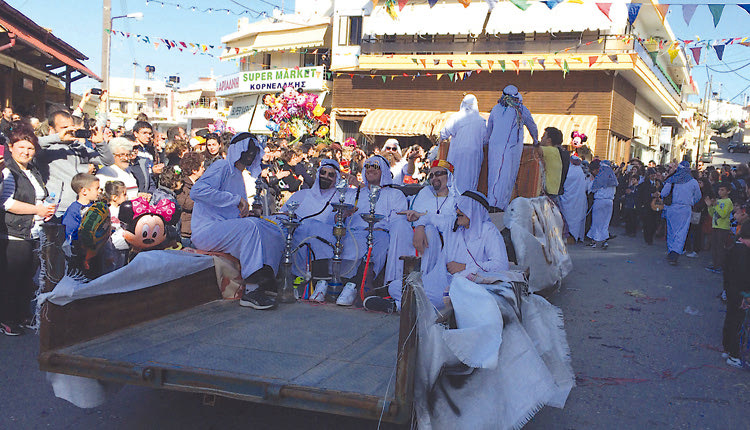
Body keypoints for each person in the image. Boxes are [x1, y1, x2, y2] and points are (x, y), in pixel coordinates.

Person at [366, 191, 509, 313]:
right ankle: (405, 306)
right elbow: (428, 217)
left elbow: (500, 266)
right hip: (442, 279)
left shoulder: (489, 231)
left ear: (474, 211)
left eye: (462, 208)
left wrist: (466, 267)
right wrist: (420, 228)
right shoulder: (454, 224)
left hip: (468, 284)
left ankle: (397, 306)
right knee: (395, 287)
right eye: (458, 207)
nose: (458, 211)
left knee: (447, 297)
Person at [190, 133, 284, 310]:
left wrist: (248, 211)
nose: (250, 155)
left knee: (271, 226)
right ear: (237, 150)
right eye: (247, 150)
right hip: (206, 231)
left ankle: (267, 277)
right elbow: (197, 192)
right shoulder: (222, 166)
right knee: (250, 227)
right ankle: (251, 290)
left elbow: (232, 215)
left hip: (222, 230)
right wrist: (235, 200)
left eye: (253, 152)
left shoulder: (239, 175)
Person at [0, 122, 56, 336]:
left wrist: (45, 210)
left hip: (33, 233)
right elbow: (6, 203)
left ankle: (21, 315)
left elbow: (38, 197)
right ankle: (7, 319)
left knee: (25, 280)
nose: (26, 151)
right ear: (11, 147)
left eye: (30, 148)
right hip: (13, 234)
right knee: (11, 280)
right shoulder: (8, 171)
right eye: (21, 147)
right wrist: (36, 209)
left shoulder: (32, 170)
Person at [37, 110, 114, 216]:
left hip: (82, 205)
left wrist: (100, 143)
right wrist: (58, 137)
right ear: (52, 129)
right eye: (64, 128)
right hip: (59, 208)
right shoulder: (48, 148)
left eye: (71, 126)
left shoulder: (78, 146)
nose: (69, 130)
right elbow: (30, 144)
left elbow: (107, 161)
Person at [484, 85, 538, 211]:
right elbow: (532, 126)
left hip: (495, 148)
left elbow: (489, 129)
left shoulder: (496, 108)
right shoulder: (520, 110)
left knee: (495, 176)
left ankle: (494, 204)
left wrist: (486, 142)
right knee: (505, 177)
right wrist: (535, 140)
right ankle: (497, 207)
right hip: (510, 149)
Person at [439, 94, 486, 193]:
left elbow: (444, 133)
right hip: (474, 157)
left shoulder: (456, 117)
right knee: (470, 181)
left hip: (457, 155)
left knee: (455, 181)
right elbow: (485, 140)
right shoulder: (481, 121)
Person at [721, 222, 750, 368]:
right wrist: (746, 295)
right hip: (740, 293)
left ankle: (727, 348)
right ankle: (734, 354)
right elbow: (744, 277)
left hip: (731, 290)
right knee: (738, 323)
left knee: (730, 319)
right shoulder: (743, 252)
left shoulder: (734, 247)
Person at [661, 161, 702, 265]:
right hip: (685, 208)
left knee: (671, 230)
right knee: (682, 231)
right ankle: (675, 253)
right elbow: (698, 196)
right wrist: (691, 201)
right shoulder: (693, 182)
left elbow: (663, 193)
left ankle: (671, 251)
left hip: (672, 207)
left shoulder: (672, 180)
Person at [586, 160, 617, 249]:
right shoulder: (612, 180)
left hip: (600, 201)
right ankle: (604, 241)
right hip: (610, 202)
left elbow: (591, 189)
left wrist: (592, 181)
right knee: (605, 223)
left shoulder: (599, 179)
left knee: (596, 222)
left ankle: (594, 242)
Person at [62, 173, 100, 242]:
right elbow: (69, 233)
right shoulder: (74, 210)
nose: (99, 191)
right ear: (84, 191)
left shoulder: (95, 206)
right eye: (97, 189)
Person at [177, 151, 205, 244]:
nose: (203, 169)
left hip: (196, 229)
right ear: (194, 170)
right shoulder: (182, 184)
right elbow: (187, 204)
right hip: (186, 232)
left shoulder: (197, 183)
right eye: (201, 167)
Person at [705, 183, 733, 274]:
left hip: (723, 227)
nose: (720, 192)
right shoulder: (719, 201)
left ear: (728, 191)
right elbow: (713, 214)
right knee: (714, 247)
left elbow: (723, 214)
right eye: (719, 190)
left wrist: (715, 205)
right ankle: (715, 264)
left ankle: (720, 266)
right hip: (715, 226)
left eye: (722, 190)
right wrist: (710, 206)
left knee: (720, 247)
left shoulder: (728, 202)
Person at [559, 155, 587, 243]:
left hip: (567, 199)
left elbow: (564, 182)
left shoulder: (568, 171)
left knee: (566, 216)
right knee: (577, 218)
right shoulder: (580, 171)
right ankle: (576, 235)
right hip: (578, 199)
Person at [636, 168, 662, 245]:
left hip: (657, 205)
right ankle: (648, 238)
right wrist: (651, 195)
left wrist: (660, 194)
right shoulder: (644, 184)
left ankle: (652, 235)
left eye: (654, 174)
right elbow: (642, 195)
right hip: (647, 206)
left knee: (655, 223)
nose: (653, 176)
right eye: (651, 175)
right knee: (647, 223)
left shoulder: (659, 183)